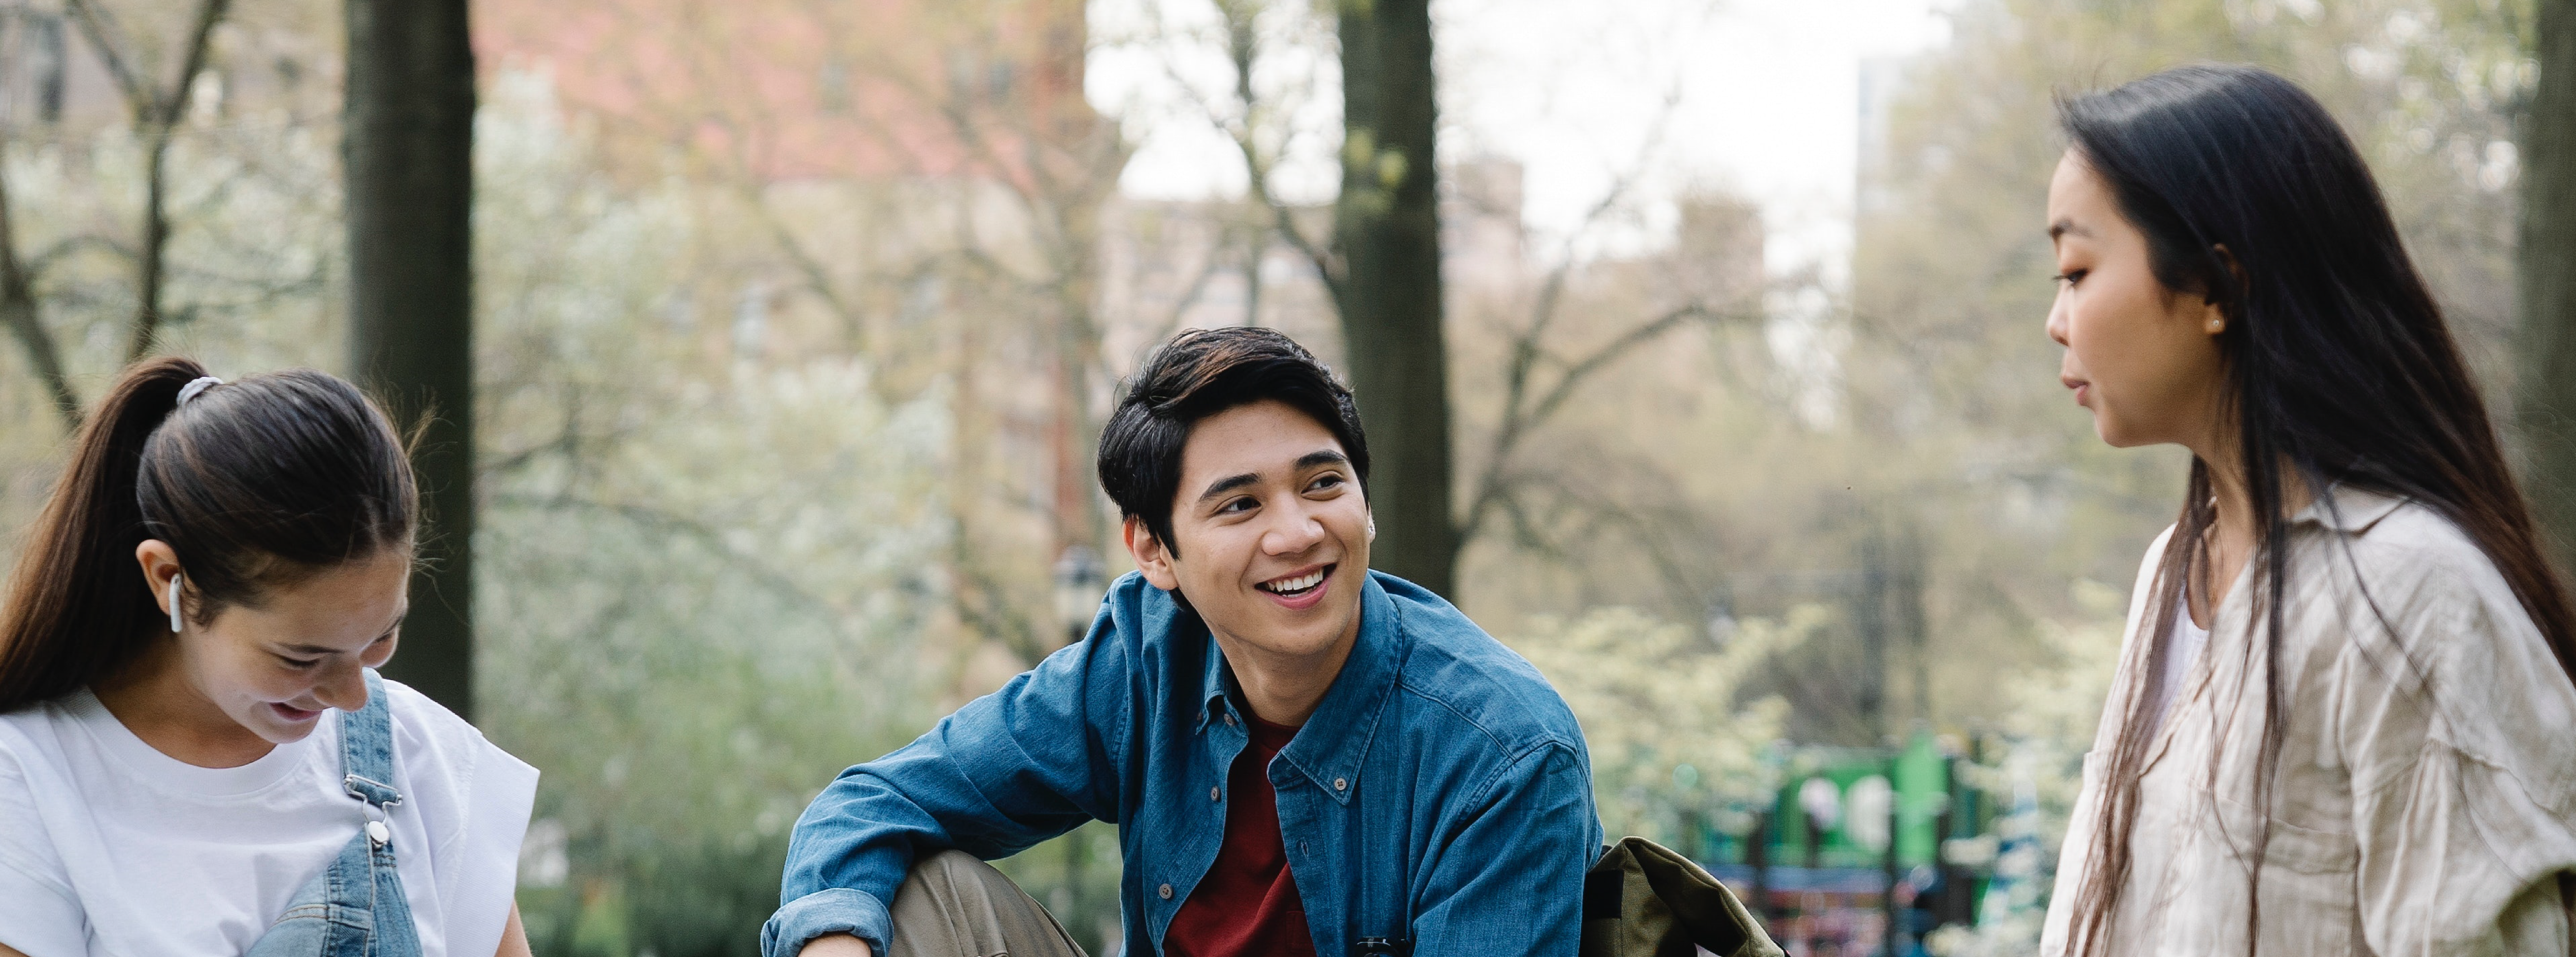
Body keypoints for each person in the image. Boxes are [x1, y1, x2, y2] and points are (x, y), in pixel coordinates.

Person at [767, 327, 1601, 957]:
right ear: (1152, 551)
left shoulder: (1505, 753)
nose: (1296, 531)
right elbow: (869, 807)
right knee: (912, 889)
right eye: (1239, 505)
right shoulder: (1144, 657)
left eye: (1321, 483)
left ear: (1365, 503)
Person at [2036, 65, 2576, 956]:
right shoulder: (2170, 573)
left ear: (2215, 286)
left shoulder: (2411, 594)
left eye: (2076, 269)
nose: (2057, 320)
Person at [0, 359, 539, 957]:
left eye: (380, 639)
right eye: (301, 657)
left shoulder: (423, 757)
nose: (354, 695)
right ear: (169, 578)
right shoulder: (28, 779)